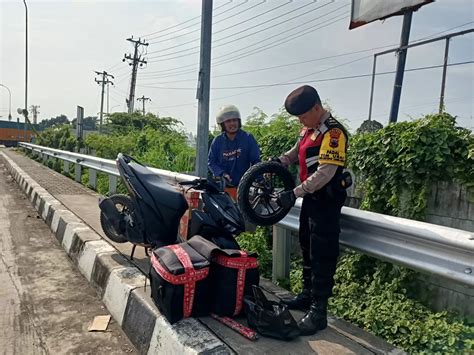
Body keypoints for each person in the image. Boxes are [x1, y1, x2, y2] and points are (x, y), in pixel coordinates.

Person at [274, 85, 349, 336]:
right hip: (310, 199)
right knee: (307, 247)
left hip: (326, 201)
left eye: (303, 115)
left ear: (317, 108)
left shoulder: (334, 133)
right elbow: (297, 151)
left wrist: (294, 193)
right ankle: (306, 296)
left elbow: (325, 172)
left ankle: (319, 312)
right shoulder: (310, 128)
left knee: (322, 254)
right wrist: (281, 161)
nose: (300, 121)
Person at [208, 104, 261, 191]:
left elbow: (256, 162)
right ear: (222, 124)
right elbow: (211, 162)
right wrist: (222, 174)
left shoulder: (248, 138)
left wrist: (260, 180)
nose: (232, 123)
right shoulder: (217, 141)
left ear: (239, 121)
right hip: (223, 188)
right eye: (228, 121)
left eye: (234, 120)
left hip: (244, 187)